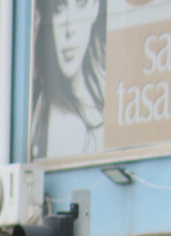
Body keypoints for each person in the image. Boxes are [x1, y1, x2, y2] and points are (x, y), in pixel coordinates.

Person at [31, 0, 106, 160]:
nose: (69, 29)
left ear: (94, 8)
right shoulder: (46, 113)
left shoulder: (104, 103)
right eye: (59, 8)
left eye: (81, 4)